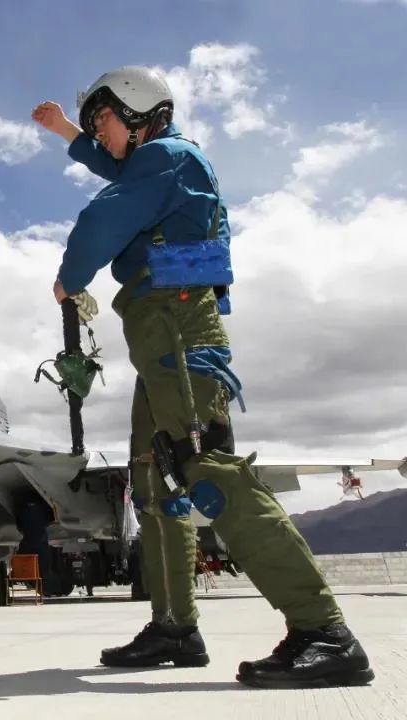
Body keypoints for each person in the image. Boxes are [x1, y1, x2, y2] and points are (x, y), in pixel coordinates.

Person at [31, 66, 374, 690]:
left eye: (102, 119)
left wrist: (69, 278)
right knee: (152, 480)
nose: (98, 133)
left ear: (139, 112)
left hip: (178, 323)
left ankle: (324, 631)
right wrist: (67, 134)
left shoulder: (166, 156)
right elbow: (115, 169)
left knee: (207, 470)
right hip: (157, 330)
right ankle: (174, 627)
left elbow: (103, 218)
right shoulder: (154, 163)